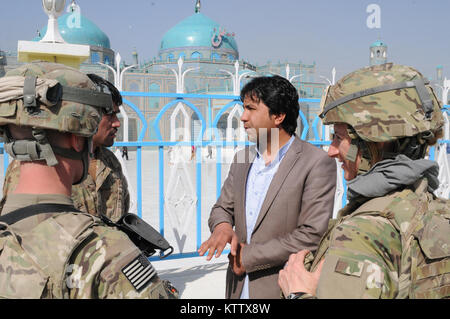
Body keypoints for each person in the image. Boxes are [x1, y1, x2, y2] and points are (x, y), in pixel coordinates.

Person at [0, 61, 177, 299]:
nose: (117, 122)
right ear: (77, 136)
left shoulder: (111, 165)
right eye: (105, 115)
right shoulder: (108, 252)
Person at [278, 63, 450, 299]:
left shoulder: (364, 232)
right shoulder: (432, 211)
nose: (331, 150)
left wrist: (296, 293)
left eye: (339, 138)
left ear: (373, 142)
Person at [198, 75, 337, 299]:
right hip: (236, 287)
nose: (243, 117)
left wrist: (249, 257)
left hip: (279, 287)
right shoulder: (243, 158)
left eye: (251, 109)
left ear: (278, 116)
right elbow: (222, 207)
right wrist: (222, 226)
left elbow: (312, 235)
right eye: (243, 108)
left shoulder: (315, 163)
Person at [0, 74, 130, 223]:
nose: (117, 123)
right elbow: (21, 226)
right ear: (88, 114)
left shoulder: (110, 162)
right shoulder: (35, 165)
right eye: (110, 115)